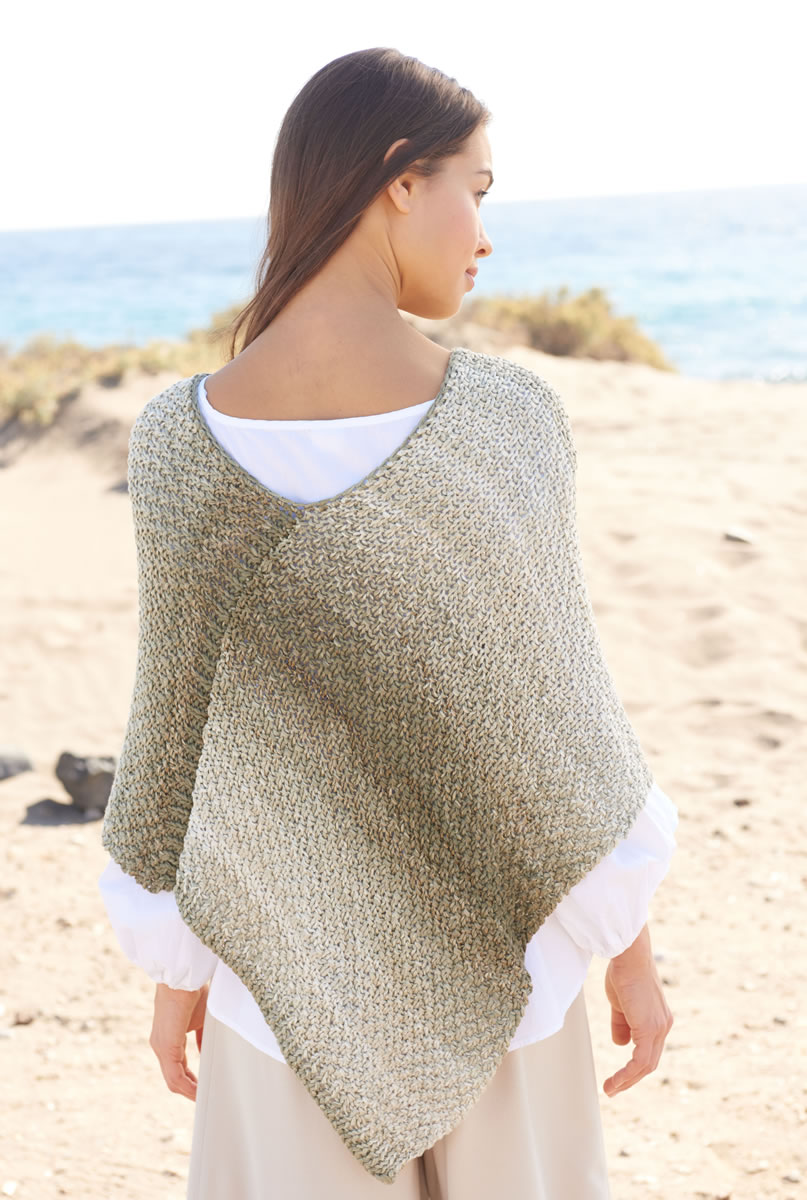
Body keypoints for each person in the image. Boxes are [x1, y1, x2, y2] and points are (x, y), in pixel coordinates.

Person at [98, 46, 677, 1199]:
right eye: (478, 189)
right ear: (401, 180)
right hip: (514, 975)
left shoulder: (176, 443)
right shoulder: (504, 422)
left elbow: (176, 750)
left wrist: (183, 972)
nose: (485, 235)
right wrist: (631, 954)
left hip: (279, 985)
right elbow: (560, 739)